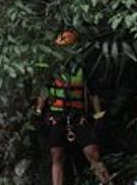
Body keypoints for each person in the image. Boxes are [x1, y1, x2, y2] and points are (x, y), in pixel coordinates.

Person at [34, 29, 112, 185]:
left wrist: (98, 115)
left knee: (93, 153)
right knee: (57, 154)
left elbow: (93, 92)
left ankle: (107, 182)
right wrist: (38, 112)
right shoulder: (52, 68)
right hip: (57, 116)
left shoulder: (84, 68)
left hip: (78, 116)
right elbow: (43, 91)